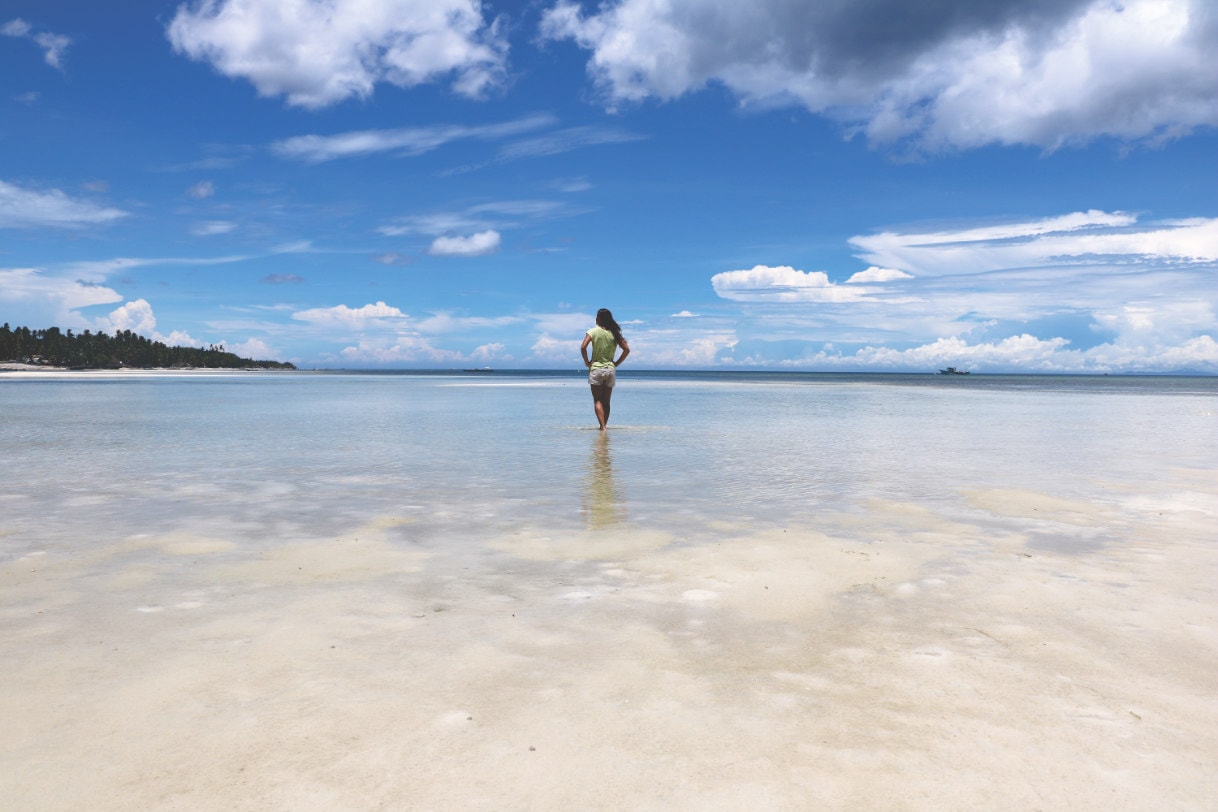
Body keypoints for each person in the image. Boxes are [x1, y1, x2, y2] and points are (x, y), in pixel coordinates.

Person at [580, 308, 630, 431]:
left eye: (597, 317)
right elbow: (627, 350)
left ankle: (602, 427)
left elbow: (583, 347)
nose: (596, 319)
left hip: (596, 368)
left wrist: (587, 362)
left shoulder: (593, 331)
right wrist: (616, 363)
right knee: (606, 402)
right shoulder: (614, 333)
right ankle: (604, 426)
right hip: (610, 370)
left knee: (597, 400)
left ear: (600, 319)